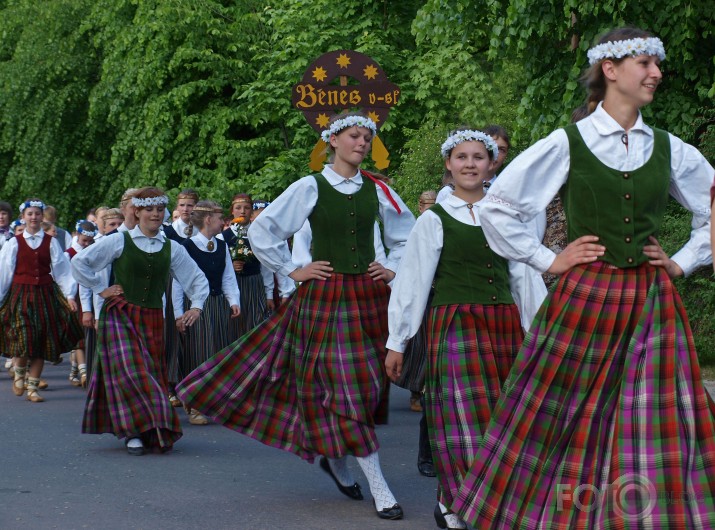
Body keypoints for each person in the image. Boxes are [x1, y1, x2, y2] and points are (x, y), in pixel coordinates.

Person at [452, 28, 715, 528]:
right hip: (586, 296)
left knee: (652, 418)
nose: (657, 73)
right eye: (645, 62)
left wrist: (684, 260)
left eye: (657, 64)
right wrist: (548, 259)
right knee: (561, 413)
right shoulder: (567, 142)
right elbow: (499, 208)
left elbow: (713, 205)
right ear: (610, 70)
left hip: (649, 299)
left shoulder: (668, 147)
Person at [178, 113, 415, 520]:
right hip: (324, 296)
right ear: (333, 141)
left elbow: (408, 234)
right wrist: (292, 269)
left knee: (362, 386)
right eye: (354, 136)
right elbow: (263, 230)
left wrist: (391, 266)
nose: (362, 143)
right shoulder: (311, 186)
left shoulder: (379, 190)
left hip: (368, 298)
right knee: (345, 388)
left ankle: (337, 461)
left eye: (367, 137)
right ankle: (380, 486)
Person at [386, 130, 544, 529]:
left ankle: (472, 500)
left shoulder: (505, 215)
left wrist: (535, 328)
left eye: (479, 157)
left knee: (500, 417)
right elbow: (413, 281)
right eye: (462, 157)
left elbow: (524, 275)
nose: (470, 164)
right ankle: (455, 501)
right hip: (455, 321)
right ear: (448, 164)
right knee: (460, 416)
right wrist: (397, 341)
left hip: (503, 322)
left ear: (492, 164)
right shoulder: (433, 219)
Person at [71, 187, 208, 456]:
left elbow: (195, 278)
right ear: (137, 211)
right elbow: (81, 263)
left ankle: (147, 428)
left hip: (153, 317)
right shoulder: (119, 241)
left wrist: (197, 306)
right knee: (132, 370)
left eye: (159, 210)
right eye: (149, 209)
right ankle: (133, 431)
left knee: (150, 372)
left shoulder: (172, 248)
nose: (155, 214)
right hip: (120, 313)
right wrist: (101, 288)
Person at [0, 199, 82, 402]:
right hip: (21, 294)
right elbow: (5, 272)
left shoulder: (51, 242)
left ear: (41, 216)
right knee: (24, 336)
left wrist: (69, 296)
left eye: (37, 213)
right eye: (30, 214)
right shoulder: (13, 243)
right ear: (23, 218)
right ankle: (19, 370)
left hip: (45, 294)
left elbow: (62, 271)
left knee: (41, 340)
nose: (34, 217)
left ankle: (33, 388)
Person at [172, 200, 240, 426]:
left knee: (219, 354)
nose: (223, 222)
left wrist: (233, 301)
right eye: (221, 217)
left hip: (218, 305)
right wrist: (178, 313)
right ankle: (193, 405)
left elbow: (228, 276)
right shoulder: (186, 247)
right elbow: (178, 284)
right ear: (209, 219)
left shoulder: (221, 246)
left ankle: (215, 402)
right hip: (196, 307)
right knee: (198, 353)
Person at [221, 193, 270, 341]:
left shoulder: (258, 235)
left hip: (254, 284)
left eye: (247, 208)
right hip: (232, 285)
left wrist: (269, 293)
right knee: (233, 325)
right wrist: (230, 265)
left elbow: (266, 267)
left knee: (256, 323)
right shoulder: (222, 236)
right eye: (238, 208)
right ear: (232, 211)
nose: (242, 211)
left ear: (252, 211)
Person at [65, 220, 99, 388]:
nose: (86, 244)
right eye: (83, 240)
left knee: (88, 333)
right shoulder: (69, 254)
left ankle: (76, 370)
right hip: (75, 297)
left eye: (89, 241)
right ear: (77, 235)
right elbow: (66, 277)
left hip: (92, 295)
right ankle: (83, 371)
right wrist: (69, 296)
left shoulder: (94, 253)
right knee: (79, 336)